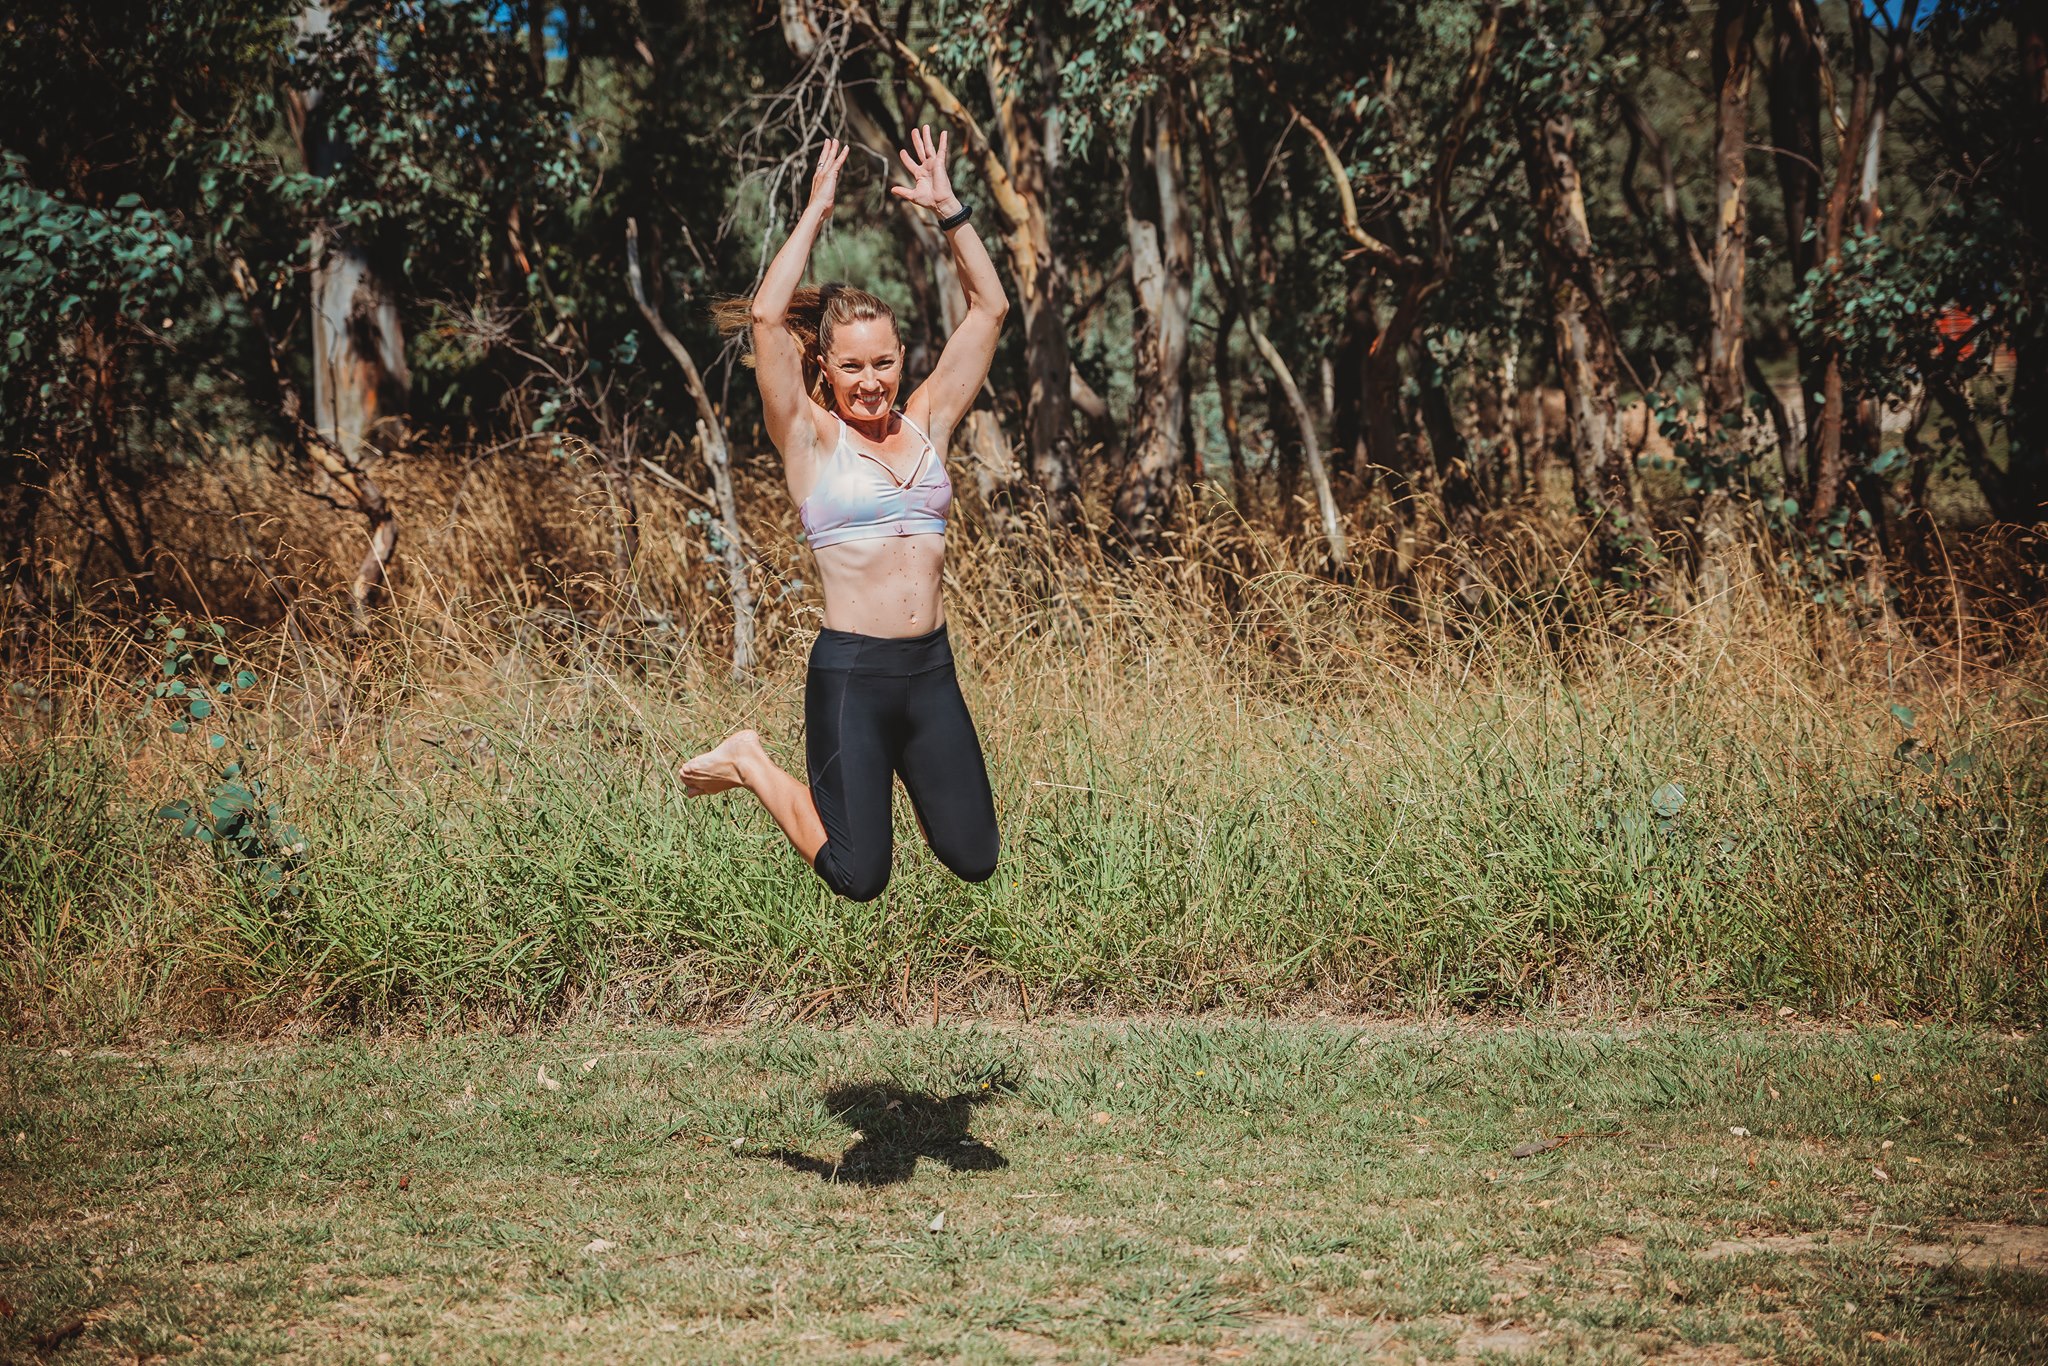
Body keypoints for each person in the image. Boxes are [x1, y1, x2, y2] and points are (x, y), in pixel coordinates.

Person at [680, 126, 1005, 902]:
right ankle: (751, 760)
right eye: (852, 366)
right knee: (860, 876)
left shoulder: (930, 421)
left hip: (930, 672)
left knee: (974, 856)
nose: (871, 382)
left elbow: (989, 307)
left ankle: (878, 794)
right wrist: (816, 211)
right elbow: (764, 320)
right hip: (853, 674)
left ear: (903, 357)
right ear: (823, 366)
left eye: (884, 362)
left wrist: (950, 209)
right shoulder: (808, 439)